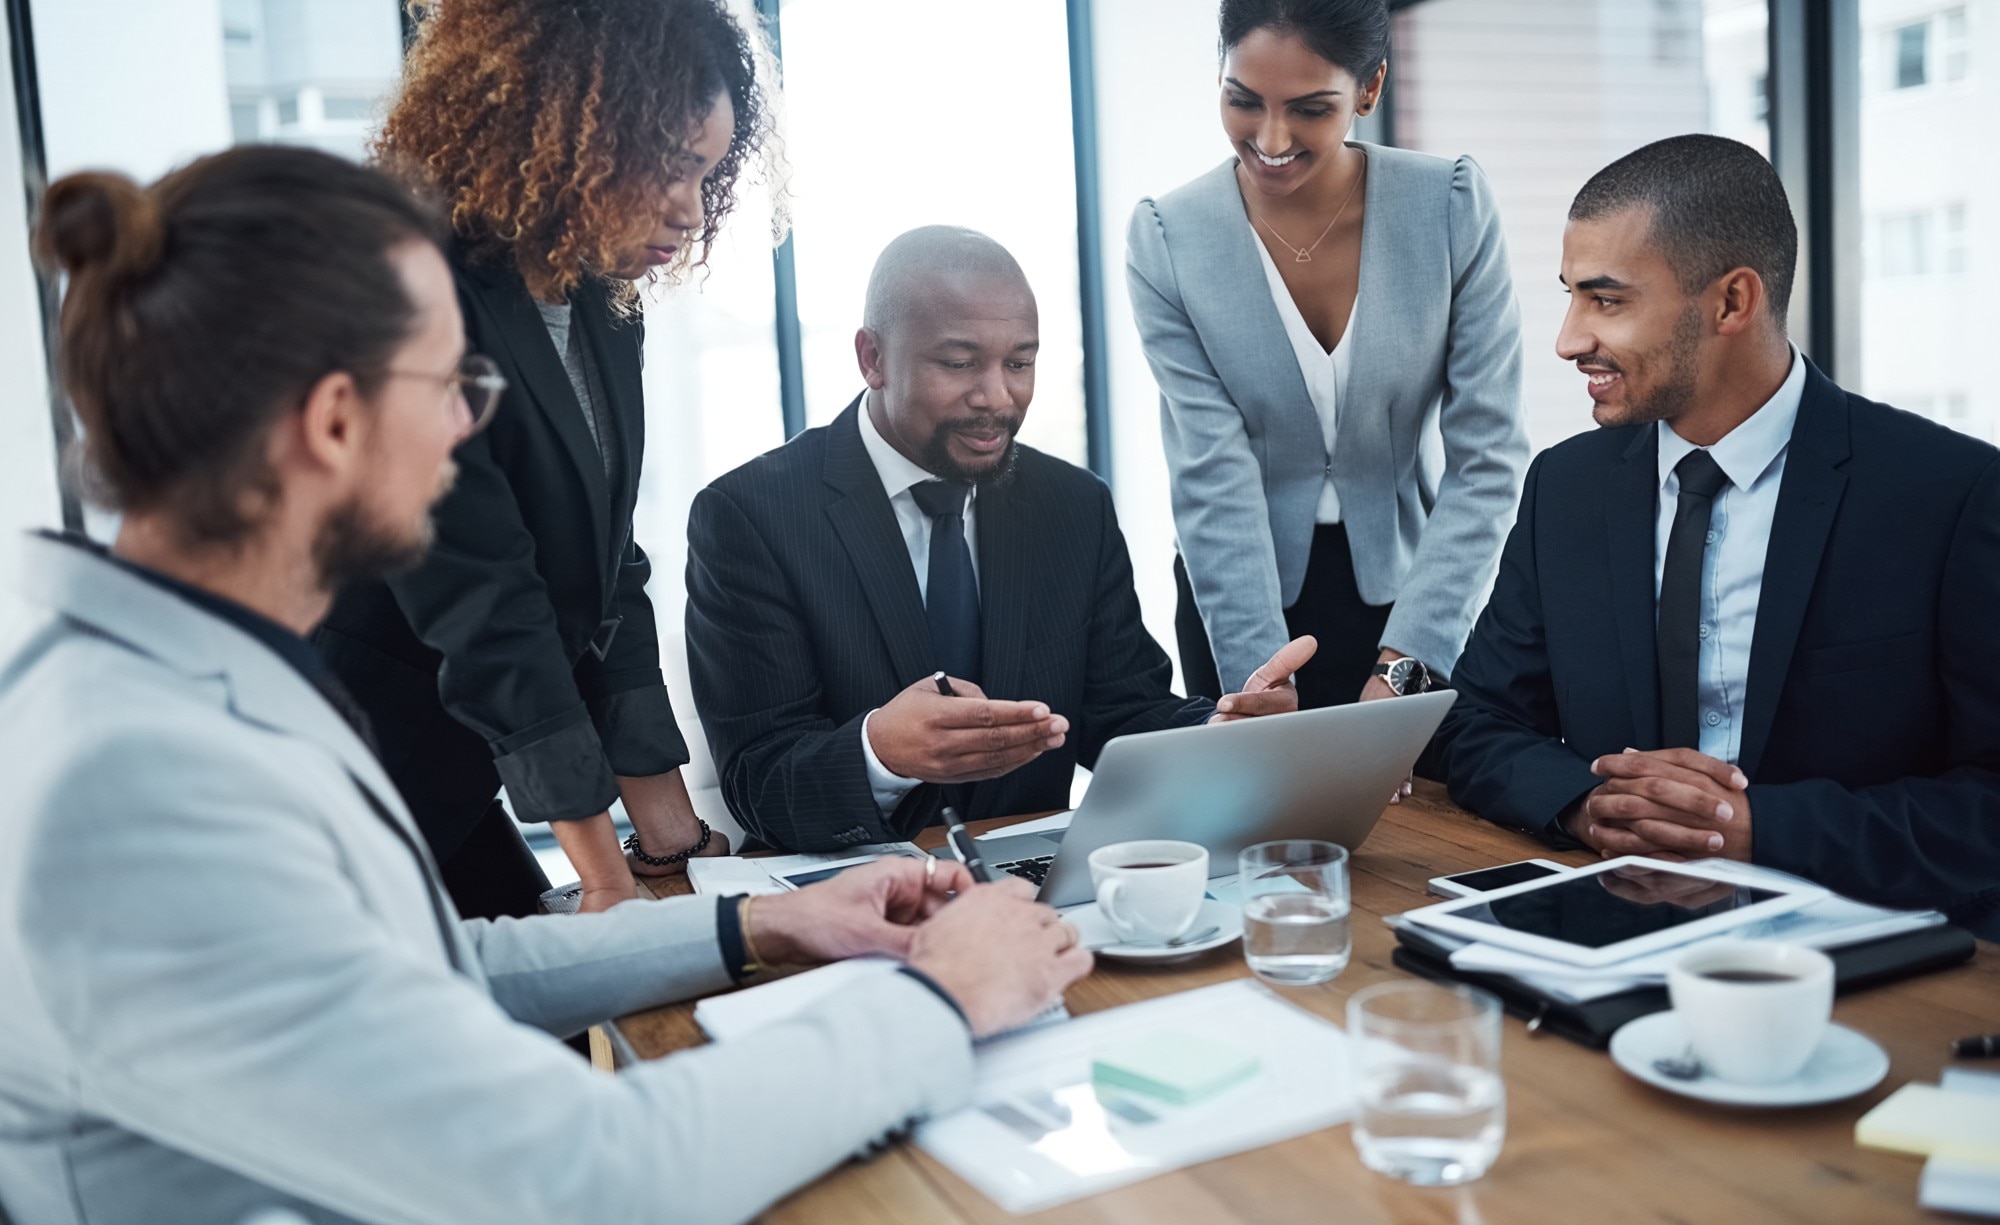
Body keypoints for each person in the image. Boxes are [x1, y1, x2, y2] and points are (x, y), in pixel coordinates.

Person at [0, 147, 1091, 1225]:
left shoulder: (179, 685)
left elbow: (438, 966)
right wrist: (941, 999)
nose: (472, 424)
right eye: (453, 383)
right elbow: (591, 1176)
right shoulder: (134, 780)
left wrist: (765, 922)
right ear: (334, 423)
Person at [1437, 134, 2000, 930]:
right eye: (1571, 296)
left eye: (1607, 300)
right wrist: (1590, 805)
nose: (1568, 339)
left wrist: (1754, 830)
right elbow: (1476, 723)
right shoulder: (1565, 487)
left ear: (1733, 302)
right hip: (1610, 929)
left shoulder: (1951, 492)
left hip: (1860, 946)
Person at [314, 0, 772, 917]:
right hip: (353, 777)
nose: (691, 211)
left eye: (707, 174)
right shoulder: (415, 296)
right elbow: (491, 607)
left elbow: (608, 573)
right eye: (673, 167)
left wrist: (672, 837)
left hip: (459, 774)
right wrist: (606, 883)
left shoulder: (599, 300)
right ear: (570, 130)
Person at [686, 226, 1316, 853]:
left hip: (1036, 876)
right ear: (872, 358)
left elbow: (1123, 711)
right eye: (959, 363)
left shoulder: (1074, 505)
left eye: (1019, 363)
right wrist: (880, 752)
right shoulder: (751, 516)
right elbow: (758, 780)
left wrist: (1219, 731)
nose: (997, 397)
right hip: (854, 881)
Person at [1127, 0, 1528, 717]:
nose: (1270, 138)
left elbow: (1488, 458)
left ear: (1369, 89)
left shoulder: (1448, 207)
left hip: (1419, 599)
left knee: (1423, 792)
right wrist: (1259, 677)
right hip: (1240, 601)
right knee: (1262, 784)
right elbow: (1211, 473)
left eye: (1310, 109)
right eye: (1243, 100)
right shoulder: (1168, 239)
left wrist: (1409, 663)